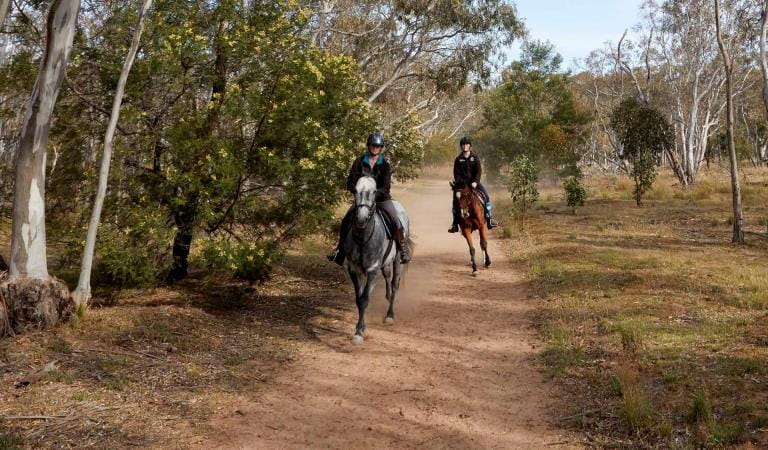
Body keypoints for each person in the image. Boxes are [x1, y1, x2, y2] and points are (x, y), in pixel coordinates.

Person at [327, 132, 411, 265]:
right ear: (368, 146)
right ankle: (340, 251)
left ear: (381, 147)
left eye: (378, 146)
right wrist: (355, 190)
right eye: (373, 145)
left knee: (396, 219)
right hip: (362, 201)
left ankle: (403, 250)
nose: (375, 148)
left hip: (381, 199)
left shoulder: (385, 164)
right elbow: (350, 181)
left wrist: (374, 194)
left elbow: (386, 186)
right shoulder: (359, 161)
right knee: (346, 220)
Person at [448, 136, 498, 233]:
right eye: (463, 145)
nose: (465, 146)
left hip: (475, 183)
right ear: (461, 147)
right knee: (456, 200)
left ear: (470, 146)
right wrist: (461, 183)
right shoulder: (458, 159)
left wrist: (475, 181)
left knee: (486, 197)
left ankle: (489, 219)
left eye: (466, 144)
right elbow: (456, 174)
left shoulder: (475, 158)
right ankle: (455, 223)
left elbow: (478, 171)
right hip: (462, 185)